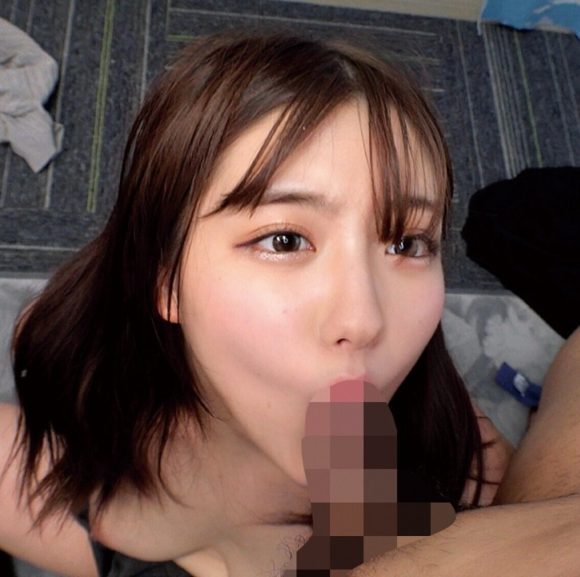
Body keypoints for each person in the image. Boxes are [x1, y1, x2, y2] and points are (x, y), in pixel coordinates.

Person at [0, 32, 575, 577]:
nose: (364, 320)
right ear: (166, 278)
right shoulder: (81, 380)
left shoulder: (446, 460)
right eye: (284, 240)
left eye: (406, 243)